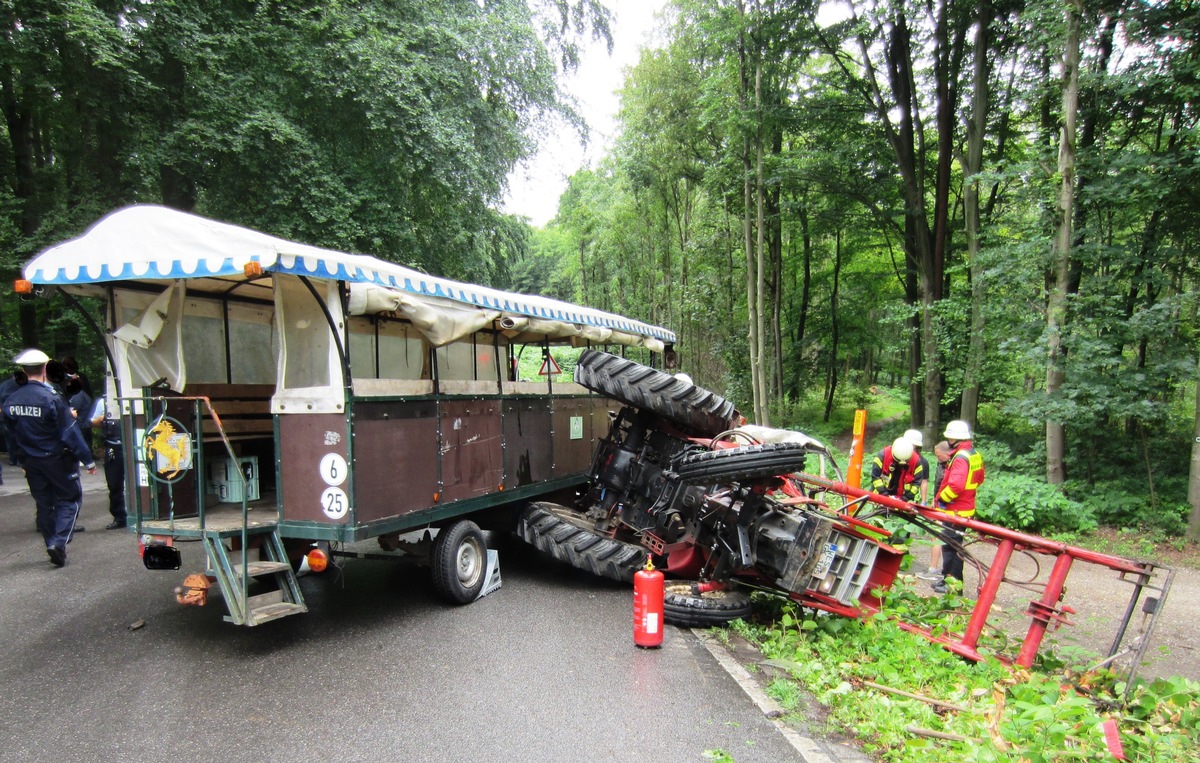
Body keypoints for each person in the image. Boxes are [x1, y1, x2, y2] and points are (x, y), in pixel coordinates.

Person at [3, 349, 97, 567]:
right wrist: (87, 459)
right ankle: (58, 543)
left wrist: (19, 460)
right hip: (56, 459)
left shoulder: (12, 400)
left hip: (31, 460)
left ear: (24, 371)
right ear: (45, 369)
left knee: (44, 504)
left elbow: (11, 433)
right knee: (70, 499)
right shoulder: (51, 398)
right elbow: (69, 431)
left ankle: (52, 545)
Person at [931, 420, 986, 594]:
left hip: (956, 510)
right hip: (966, 506)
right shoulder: (973, 454)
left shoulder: (961, 457)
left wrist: (942, 500)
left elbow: (956, 485)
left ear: (954, 438)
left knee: (951, 547)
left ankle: (953, 585)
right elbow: (979, 479)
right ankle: (949, 580)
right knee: (953, 545)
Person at [916, 440, 952, 581]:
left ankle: (934, 569)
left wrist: (939, 501)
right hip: (939, 502)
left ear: (947, 453)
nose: (937, 458)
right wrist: (934, 499)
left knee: (937, 535)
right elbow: (939, 484)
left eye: (939, 455)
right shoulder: (942, 464)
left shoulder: (951, 466)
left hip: (946, 506)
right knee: (936, 534)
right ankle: (937, 569)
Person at [91, 395, 127, 529]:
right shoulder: (104, 401)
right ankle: (119, 517)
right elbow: (92, 421)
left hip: (133, 444)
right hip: (113, 445)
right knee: (114, 484)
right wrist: (101, 419)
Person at [869, 436, 925, 502]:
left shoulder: (916, 461)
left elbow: (917, 483)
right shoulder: (883, 455)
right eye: (897, 460)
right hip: (881, 495)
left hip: (905, 498)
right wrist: (884, 494)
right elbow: (875, 477)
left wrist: (905, 498)